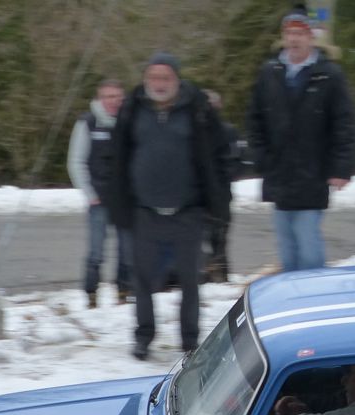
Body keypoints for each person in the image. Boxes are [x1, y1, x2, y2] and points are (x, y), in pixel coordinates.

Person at [106, 53, 232, 360]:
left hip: (188, 211)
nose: (159, 84)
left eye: (165, 78)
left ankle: (190, 340)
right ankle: (143, 336)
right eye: (153, 77)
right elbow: (117, 158)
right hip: (144, 212)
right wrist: (118, 203)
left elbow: (219, 154)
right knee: (142, 281)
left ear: (177, 79)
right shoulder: (132, 108)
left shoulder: (197, 108)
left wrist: (219, 201)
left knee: (190, 281)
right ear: (145, 79)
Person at [247, 5, 355, 273]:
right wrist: (261, 157)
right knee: (287, 249)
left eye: (300, 33)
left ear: (311, 37)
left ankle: (313, 293)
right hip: (279, 173)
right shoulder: (270, 72)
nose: (294, 39)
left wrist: (341, 167)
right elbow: (255, 119)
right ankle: (291, 295)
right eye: (289, 33)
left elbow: (344, 123)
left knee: (308, 248)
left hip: (313, 173)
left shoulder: (328, 74)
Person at [68, 79, 134, 308]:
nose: (113, 101)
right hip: (99, 199)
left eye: (117, 96)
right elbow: (76, 162)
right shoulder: (87, 123)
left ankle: (125, 292)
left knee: (127, 251)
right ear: (99, 98)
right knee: (96, 252)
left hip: (126, 200)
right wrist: (89, 193)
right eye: (108, 96)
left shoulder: (130, 121)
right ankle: (91, 294)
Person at [203, 89, 242, 283]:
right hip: (199, 194)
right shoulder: (192, 132)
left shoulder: (227, 131)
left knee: (219, 238)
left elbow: (235, 162)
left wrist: (221, 180)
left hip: (220, 193)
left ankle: (219, 275)